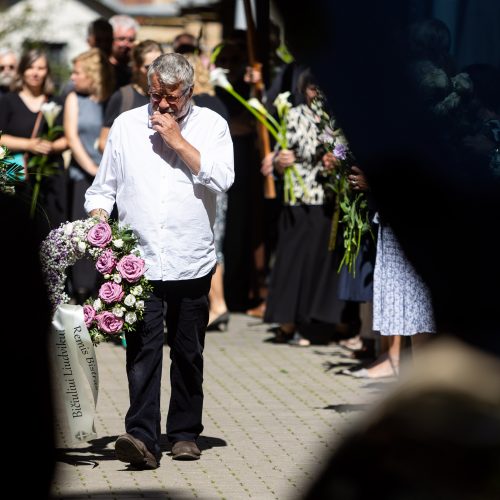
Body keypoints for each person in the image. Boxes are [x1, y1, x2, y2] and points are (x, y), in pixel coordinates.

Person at [84, 53, 234, 467]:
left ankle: (185, 433)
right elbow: (103, 188)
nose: (162, 106)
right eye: (155, 96)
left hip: (191, 259)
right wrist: (98, 219)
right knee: (142, 352)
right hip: (139, 260)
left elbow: (223, 178)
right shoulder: (127, 126)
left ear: (189, 92)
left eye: (171, 98)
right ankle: (142, 437)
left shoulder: (212, 126)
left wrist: (178, 142)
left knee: (188, 351)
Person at [261, 68, 345, 347]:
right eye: (311, 88)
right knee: (293, 260)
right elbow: (280, 152)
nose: (317, 93)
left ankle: (314, 324)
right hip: (298, 197)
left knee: (319, 263)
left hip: (326, 197)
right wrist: (279, 160)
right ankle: (288, 320)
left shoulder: (336, 118)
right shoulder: (294, 115)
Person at [183, 51, 231, 331]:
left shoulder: (200, 108)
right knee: (216, 241)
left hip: (204, 182)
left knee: (210, 242)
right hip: (219, 183)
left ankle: (218, 303)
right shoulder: (218, 102)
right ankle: (218, 303)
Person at [64, 47, 115, 304]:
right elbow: (72, 138)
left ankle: (104, 292)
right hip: (83, 175)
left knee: (106, 236)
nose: (73, 77)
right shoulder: (75, 99)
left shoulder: (112, 100)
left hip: (110, 180)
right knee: (83, 236)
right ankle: (81, 292)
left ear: (92, 74)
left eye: (77, 72)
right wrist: (93, 170)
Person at [0, 48, 68, 233]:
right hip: (15, 173)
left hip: (51, 178)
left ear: (47, 72)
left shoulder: (57, 101)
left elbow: (68, 138)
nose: (36, 73)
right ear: (22, 71)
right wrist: (29, 145)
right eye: (30, 67)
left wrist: (52, 146)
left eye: (41, 68)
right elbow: (1, 137)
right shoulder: (8, 101)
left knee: (50, 228)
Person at [98, 39, 163, 153]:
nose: (155, 71)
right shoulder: (123, 96)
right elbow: (103, 143)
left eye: (160, 65)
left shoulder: (171, 97)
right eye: (148, 67)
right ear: (136, 67)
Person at [109, 14, 140, 89]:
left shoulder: (137, 70)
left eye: (131, 40)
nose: (127, 44)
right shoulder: (101, 68)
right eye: (121, 39)